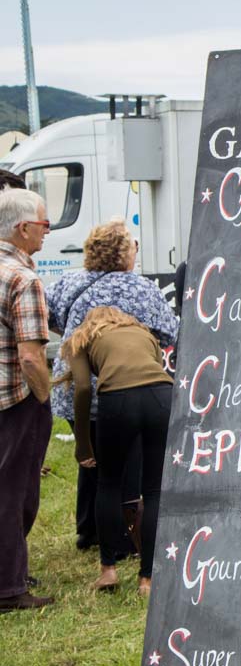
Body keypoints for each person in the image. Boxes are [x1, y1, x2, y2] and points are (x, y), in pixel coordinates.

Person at [47, 220, 179, 555]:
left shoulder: (68, 281)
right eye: (133, 244)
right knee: (124, 470)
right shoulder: (140, 289)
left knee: (90, 459)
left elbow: (48, 316)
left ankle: (87, 530)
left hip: (74, 386)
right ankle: (121, 539)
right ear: (123, 252)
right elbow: (169, 332)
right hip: (122, 387)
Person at [61, 307, 174, 594]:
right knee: (153, 491)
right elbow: (154, 369)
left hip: (117, 399)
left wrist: (83, 443)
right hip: (162, 396)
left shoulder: (80, 338)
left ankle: (108, 571)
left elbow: (84, 388)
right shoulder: (144, 333)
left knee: (108, 484)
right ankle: (147, 578)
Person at [0, 188, 54, 611]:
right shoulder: (23, 279)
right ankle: (9, 587)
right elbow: (32, 357)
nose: (47, 233)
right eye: (43, 225)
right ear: (22, 230)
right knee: (15, 491)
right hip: (14, 400)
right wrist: (43, 398)